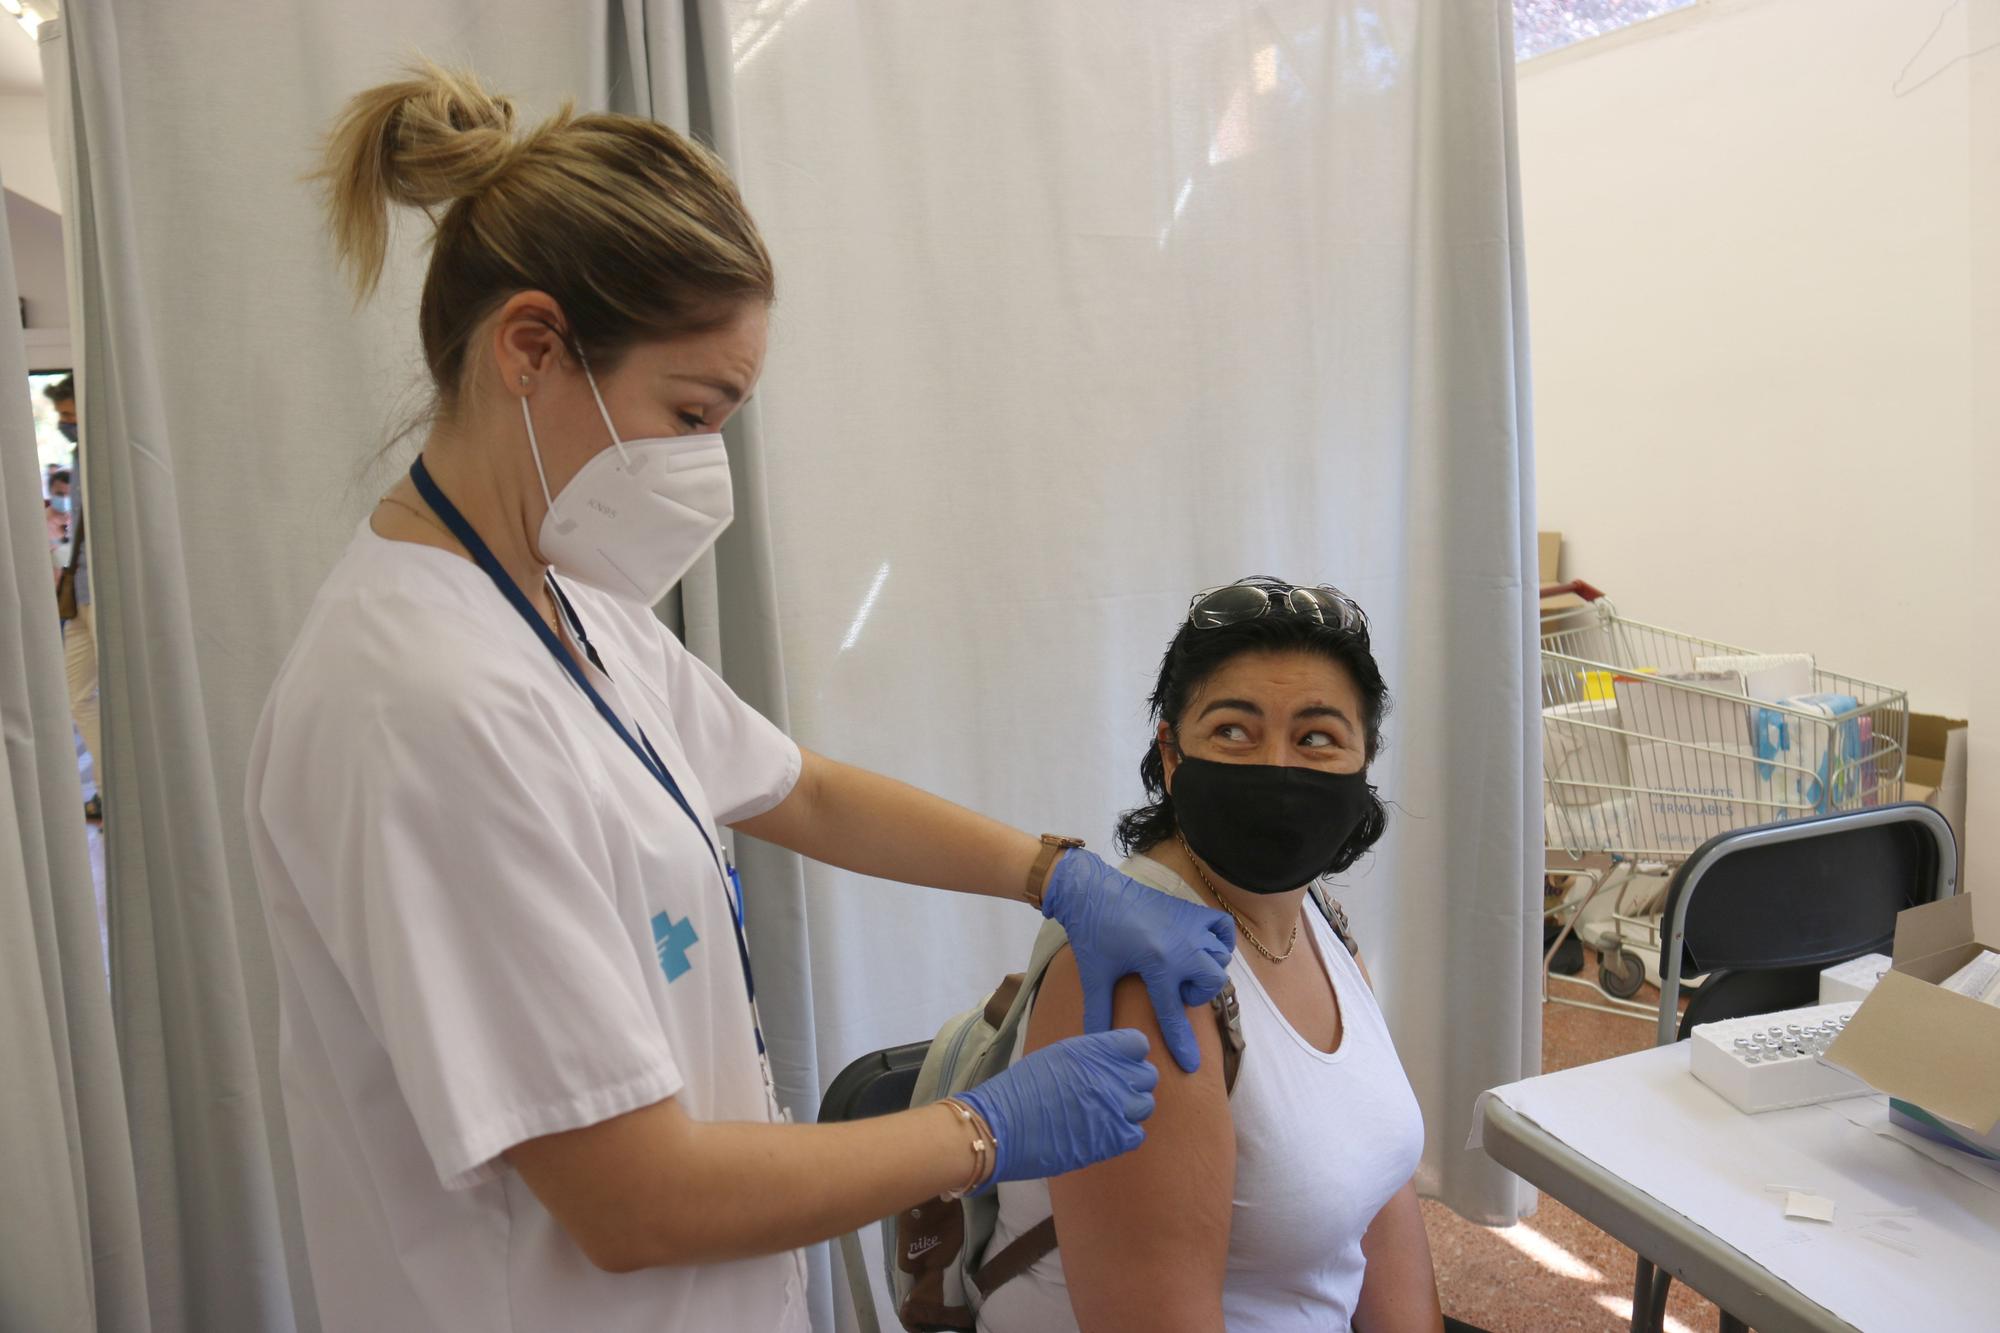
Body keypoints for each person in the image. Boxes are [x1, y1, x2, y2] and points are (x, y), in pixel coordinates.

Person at [243, 64, 1235, 1333]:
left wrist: (1054, 875)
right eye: (688, 410)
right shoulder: (421, 707)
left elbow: (797, 787)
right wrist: (982, 1129)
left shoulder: (559, 594)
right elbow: (634, 1201)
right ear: (531, 348)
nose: (699, 462)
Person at [979, 578, 1444, 1333]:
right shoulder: (1146, 981)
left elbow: (1380, 1196)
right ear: (1170, 753)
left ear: (1364, 764)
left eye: (1317, 736)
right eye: (1234, 729)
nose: (1276, 765)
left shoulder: (1319, 918)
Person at [45, 376, 101, 823]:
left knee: (113, 690)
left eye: (69, 415)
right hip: (79, 590)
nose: (66, 424)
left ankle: (111, 793)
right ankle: (108, 786)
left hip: (101, 590)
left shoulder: (103, 455)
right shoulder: (79, 456)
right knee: (75, 695)